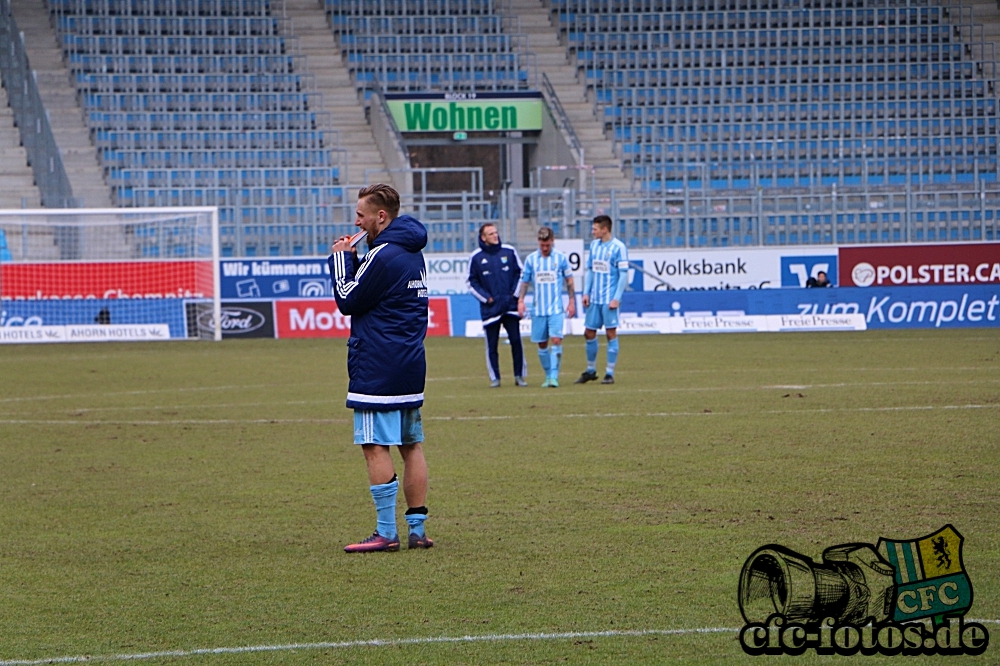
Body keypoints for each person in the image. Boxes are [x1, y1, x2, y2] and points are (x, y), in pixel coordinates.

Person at [328, 184, 433, 553]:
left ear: (381, 216)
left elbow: (347, 299)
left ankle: (386, 532)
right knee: (411, 445)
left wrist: (341, 258)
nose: (356, 221)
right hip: (409, 362)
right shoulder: (410, 253)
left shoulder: (383, 254)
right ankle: (417, 529)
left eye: (361, 214)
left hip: (378, 366)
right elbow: (375, 294)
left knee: (374, 445)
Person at [467, 223, 527, 388]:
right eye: (491, 233)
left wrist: (514, 294)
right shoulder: (476, 257)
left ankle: (519, 376)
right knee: (492, 346)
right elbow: (471, 282)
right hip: (490, 309)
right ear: (483, 238)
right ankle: (495, 378)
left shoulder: (509, 251)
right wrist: (487, 298)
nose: (495, 235)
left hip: (510, 306)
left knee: (516, 341)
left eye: (496, 232)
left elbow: (520, 273)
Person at [517, 226, 576, 387]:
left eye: (547, 245)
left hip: (556, 309)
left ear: (552, 241)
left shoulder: (560, 258)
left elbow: (569, 281)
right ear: (538, 242)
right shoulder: (531, 259)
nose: (545, 248)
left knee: (556, 340)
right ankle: (548, 375)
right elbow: (525, 282)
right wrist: (521, 300)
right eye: (542, 245)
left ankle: (554, 377)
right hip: (538, 309)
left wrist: (571, 301)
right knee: (542, 344)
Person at [575, 215, 629, 385]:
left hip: (608, 300)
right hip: (595, 299)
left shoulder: (619, 247)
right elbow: (591, 270)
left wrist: (616, 298)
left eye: (595, 229)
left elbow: (624, 275)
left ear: (604, 229)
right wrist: (586, 292)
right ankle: (591, 370)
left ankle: (609, 373)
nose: (592, 232)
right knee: (589, 332)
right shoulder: (594, 246)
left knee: (610, 333)